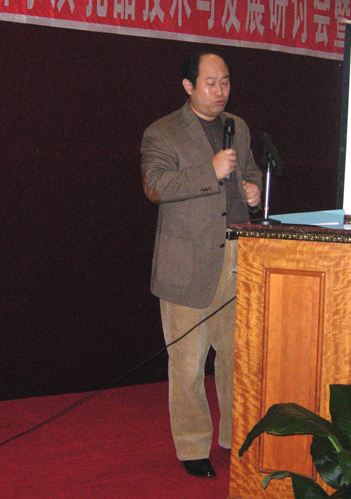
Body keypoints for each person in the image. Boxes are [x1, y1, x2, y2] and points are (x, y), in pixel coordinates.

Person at [141, 51, 262, 478]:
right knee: (188, 363)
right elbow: (155, 185)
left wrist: (253, 190)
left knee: (236, 358)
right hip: (187, 264)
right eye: (210, 83)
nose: (220, 91)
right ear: (189, 86)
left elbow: (250, 170)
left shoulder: (238, 127)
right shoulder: (163, 131)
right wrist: (209, 170)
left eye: (225, 82)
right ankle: (193, 446)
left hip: (238, 258)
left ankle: (234, 435)